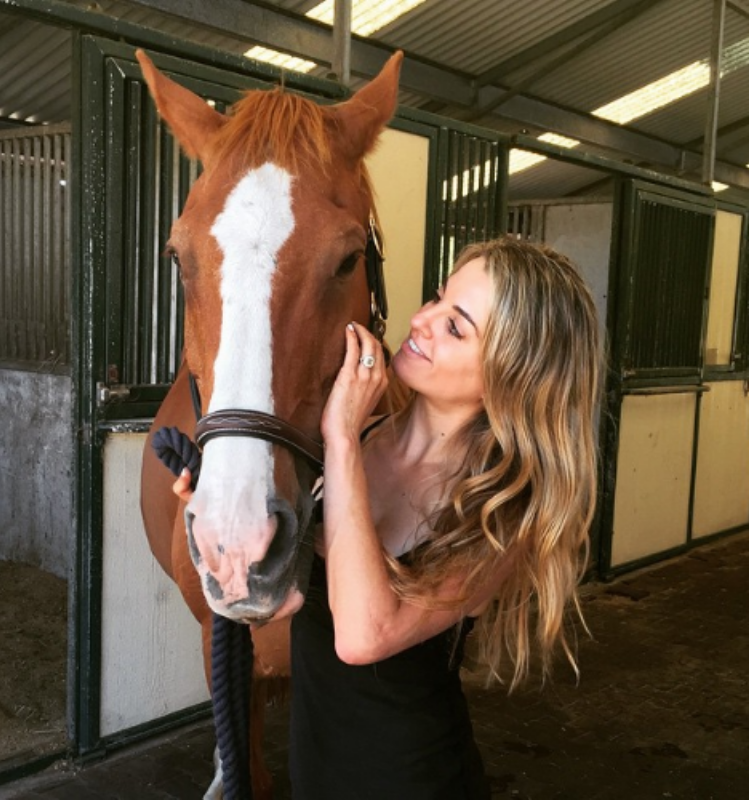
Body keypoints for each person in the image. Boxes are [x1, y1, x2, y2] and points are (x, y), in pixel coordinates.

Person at [177, 237, 602, 799]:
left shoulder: (502, 510)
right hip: (317, 771)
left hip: (413, 779)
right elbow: (296, 608)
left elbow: (362, 636)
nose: (423, 319)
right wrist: (228, 526)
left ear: (512, 373)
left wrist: (340, 437)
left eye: (456, 327)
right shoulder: (367, 439)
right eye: (437, 298)